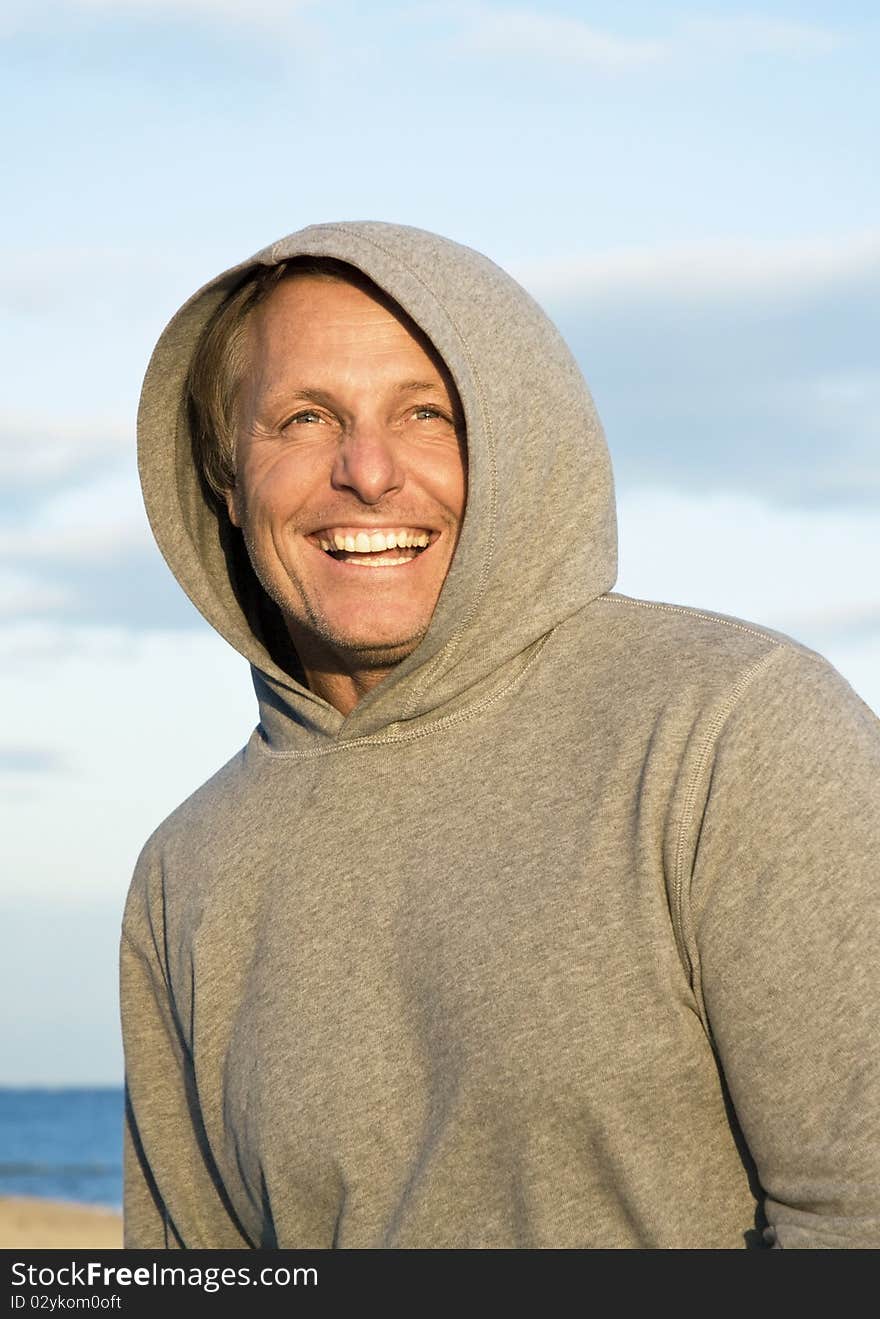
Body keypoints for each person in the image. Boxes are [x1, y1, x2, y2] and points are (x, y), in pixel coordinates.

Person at [121, 221, 880, 1250]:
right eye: (304, 417)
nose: (369, 472)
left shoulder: (734, 731)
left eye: (427, 413)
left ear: (521, 443)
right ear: (224, 478)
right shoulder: (185, 869)